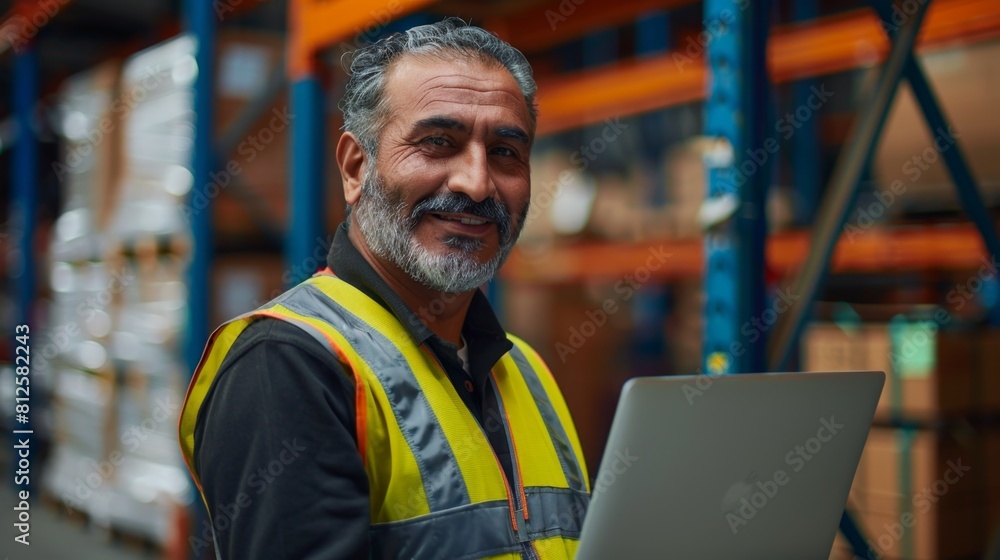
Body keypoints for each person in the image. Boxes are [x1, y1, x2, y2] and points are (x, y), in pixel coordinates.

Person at [178, 18, 590, 560]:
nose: (477, 182)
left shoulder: (527, 371)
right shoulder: (287, 364)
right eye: (438, 143)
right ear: (356, 167)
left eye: (506, 151)